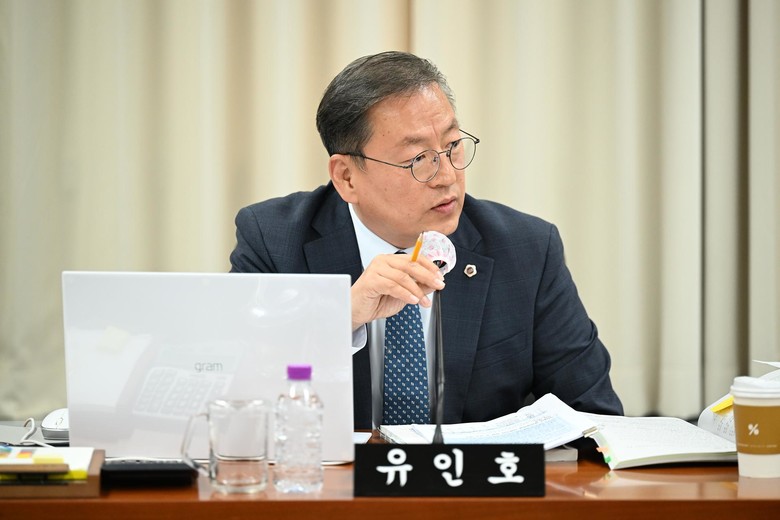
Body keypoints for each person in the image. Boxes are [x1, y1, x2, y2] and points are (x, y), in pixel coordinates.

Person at [230, 51, 623, 429]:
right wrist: (341, 317)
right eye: (418, 159)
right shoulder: (274, 241)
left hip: (471, 476)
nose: (447, 176)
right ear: (347, 177)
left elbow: (596, 417)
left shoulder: (526, 249)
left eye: (452, 147)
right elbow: (235, 401)